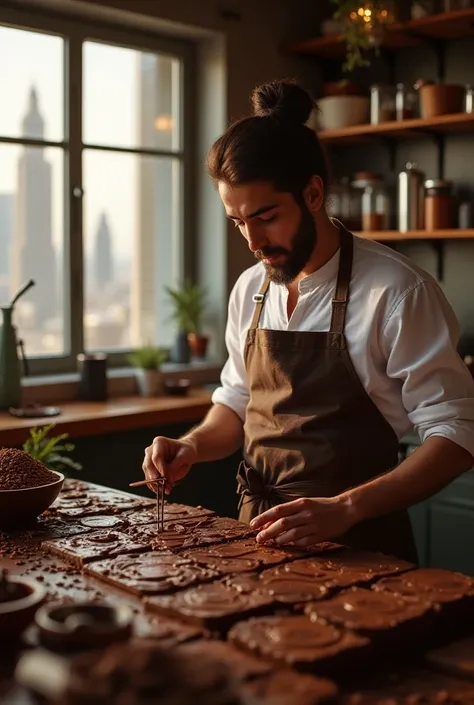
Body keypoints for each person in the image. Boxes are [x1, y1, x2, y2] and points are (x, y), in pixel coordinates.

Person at [142, 79, 474, 562]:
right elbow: (235, 406)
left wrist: (346, 507)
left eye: (266, 215)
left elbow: (458, 433)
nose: (252, 240)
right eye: (237, 221)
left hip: (363, 545)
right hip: (255, 534)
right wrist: (191, 445)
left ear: (313, 194)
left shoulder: (397, 291)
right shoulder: (250, 289)